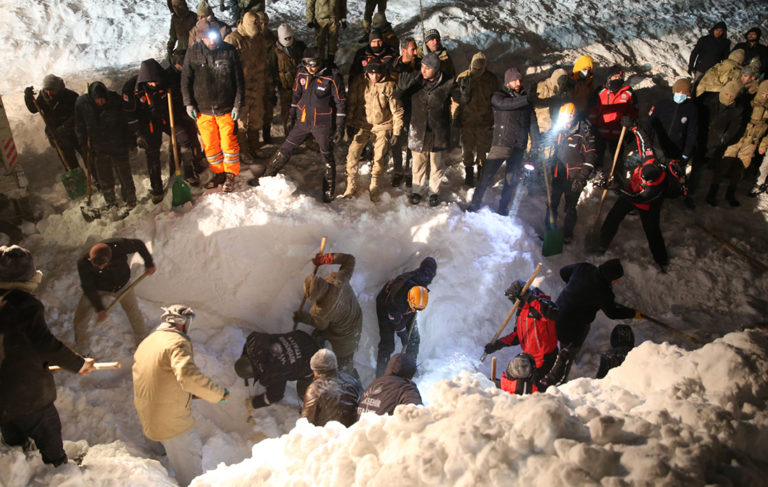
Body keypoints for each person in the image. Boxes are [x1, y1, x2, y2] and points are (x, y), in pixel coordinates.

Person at [0, 246, 95, 467]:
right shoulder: (23, 303)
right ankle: (60, 471)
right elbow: (45, 344)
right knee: (48, 433)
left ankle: (21, 469)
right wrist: (79, 364)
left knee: (15, 445)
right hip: (26, 394)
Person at [132, 305, 228, 487]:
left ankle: (159, 461)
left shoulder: (148, 342)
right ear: (182, 323)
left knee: (158, 446)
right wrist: (217, 393)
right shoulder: (176, 342)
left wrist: (187, 394)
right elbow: (188, 376)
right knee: (191, 467)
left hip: (147, 415)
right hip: (170, 422)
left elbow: (158, 375)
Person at [255, 49, 346, 203]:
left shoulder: (331, 76)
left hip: (322, 124)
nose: (310, 67)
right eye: (306, 63)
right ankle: (266, 178)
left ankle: (328, 190)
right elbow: (296, 96)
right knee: (286, 148)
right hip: (303, 121)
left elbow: (341, 102)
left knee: (327, 154)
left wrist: (339, 126)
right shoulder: (302, 74)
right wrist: (291, 116)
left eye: (313, 64)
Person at [544, 259, 640, 385]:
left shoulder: (584, 267)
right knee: (568, 351)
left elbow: (563, 272)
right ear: (610, 276)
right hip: (574, 325)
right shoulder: (604, 292)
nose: (618, 281)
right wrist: (633, 314)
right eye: (616, 278)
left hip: (556, 311)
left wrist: (576, 288)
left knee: (553, 344)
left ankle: (555, 362)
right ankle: (560, 380)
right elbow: (612, 313)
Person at [125, 58, 202, 203]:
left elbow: (180, 100)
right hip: (149, 124)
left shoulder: (167, 80)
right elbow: (129, 114)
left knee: (184, 140)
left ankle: (189, 172)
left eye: (156, 81)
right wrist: (138, 133)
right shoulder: (133, 89)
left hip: (168, 117)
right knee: (152, 153)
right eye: (150, 82)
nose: (154, 84)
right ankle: (157, 188)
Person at [182, 19, 245, 192]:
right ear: (201, 38)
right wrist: (189, 103)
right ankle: (218, 173)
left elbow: (239, 81)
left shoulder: (229, 51)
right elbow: (185, 80)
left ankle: (230, 174)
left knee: (229, 144)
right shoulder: (193, 53)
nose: (213, 41)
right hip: (203, 110)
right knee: (210, 146)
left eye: (215, 36)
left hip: (226, 108)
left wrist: (237, 105)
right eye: (209, 38)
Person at [468, 67, 538, 214]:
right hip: (502, 143)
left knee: (511, 181)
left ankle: (503, 207)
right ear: (508, 82)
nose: (518, 82)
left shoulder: (526, 99)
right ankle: (474, 204)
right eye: (514, 80)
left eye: (519, 79)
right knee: (486, 176)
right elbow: (505, 105)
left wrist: (536, 143)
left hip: (519, 145)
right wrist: (526, 99)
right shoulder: (499, 96)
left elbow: (532, 122)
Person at [397, 52, 459, 207]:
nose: (423, 70)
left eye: (427, 68)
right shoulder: (416, 81)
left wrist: (464, 92)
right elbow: (397, 97)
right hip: (418, 129)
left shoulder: (448, 82)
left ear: (436, 69)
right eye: (422, 66)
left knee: (437, 164)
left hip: (438, 131)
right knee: (418, 162)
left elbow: (461, 99)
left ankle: (433, 192)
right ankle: (417, 191)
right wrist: (400, 89)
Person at [73, 239, 156, 348]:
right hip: (98, 288)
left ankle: (143, 342)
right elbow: (88, 287)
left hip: (122, 285)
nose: (101, 267)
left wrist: (149, 263)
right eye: (97, 265)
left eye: (103, 264)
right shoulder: (83, 263)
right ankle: (82, 349)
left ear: (110, 257)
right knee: (80, 318)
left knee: (134, 312)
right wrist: (99, 308)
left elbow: (139, 244)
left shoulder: (119, 247)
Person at [599, 147, 671, 271]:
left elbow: (635, 198)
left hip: (646, 204)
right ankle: (601, 244)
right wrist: (613, 177)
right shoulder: (648, 161)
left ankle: (661, 259)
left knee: (652, 230)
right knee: (613, 217)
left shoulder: (652, 189)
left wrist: (617, 189)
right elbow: (628, 163)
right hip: (632, 190)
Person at [292, 252, 362, 376]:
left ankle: (350, 380)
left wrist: (304, 318)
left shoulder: (321, 310)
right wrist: (327, 259)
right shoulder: (337, 279)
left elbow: (321, 325)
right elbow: (350, 260)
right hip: (355, 316)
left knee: (344, 361)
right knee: (325, 330)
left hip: (345, 336)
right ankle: (320, 340)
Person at [344, 61, 403, 201]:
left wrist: (396, 131)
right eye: (371, 73)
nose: (374, 76)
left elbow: (397, 110)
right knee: (353, 152)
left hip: (382, 125)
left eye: (377, 73)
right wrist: (349, 123)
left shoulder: (389, 85)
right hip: (363, 124)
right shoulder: (361, 82)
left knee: (379, 156)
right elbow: (352, 102)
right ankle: (350, 184)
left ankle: (374, 185)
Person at [74, 81, 138, 209]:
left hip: (118, 144)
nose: (101, 102)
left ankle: (131, 200)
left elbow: (126, 122)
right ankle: (110, 201)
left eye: (103, 99)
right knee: (105, 177)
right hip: (99, 147)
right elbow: (80, 126)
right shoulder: (82, 104)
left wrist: (131, 141)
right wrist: (84, 146)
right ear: (92, 98)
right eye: (98, 100)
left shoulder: (116, 101)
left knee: (124, 174)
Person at [483, 279, 558, 380]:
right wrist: (498, 344)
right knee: (514, 375)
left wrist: (530, 298)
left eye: (514, 299)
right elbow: (518, 335)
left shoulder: (539, 305)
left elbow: (553, 313)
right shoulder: (521, 311)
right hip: (530, 358)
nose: (513, 303)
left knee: (530, 386)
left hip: (545, 359)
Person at [544, 102, 596, 243]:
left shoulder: (583, 132)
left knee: (570, 207)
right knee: (551, 203)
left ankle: (567, 234)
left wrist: (582, 177)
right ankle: (550, 231)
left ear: (572, 118)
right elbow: (547, 141)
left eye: (566, 119)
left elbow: (591, 157)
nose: (564, 122)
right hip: (558, 174)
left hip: (574, 178)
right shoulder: (558, 130)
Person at [375, 257, 436, 377]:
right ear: (409, 299)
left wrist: (431, 264)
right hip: (386, 308)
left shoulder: (422, 279)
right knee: (387, 345)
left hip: (405, 308)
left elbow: (429, 264)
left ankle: (409, 368)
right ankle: (381, 376)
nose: (415, 311)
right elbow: (395, 319)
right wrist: (402, 332)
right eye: (414, 308)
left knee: (413, 339)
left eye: (417, 309)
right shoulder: (395, 300)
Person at [646, 78, 698, 205]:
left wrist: (686, 152)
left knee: (670, 177)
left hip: (675, 150)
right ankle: (648, 197)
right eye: (679, 91)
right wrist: (647, 143)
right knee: (653, 174)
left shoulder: (691, 110)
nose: (681, 94)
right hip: (657, 146)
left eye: (684, 93)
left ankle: (666, 196)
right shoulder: (662, 104)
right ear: (674, 91)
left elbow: (692, 133)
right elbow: (650, 124)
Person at [225, 12, 269, 161]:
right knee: (241, 121)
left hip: (257, 85)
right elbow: (226, 68)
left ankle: (254, 146)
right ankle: (243, 149)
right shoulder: (233, 40)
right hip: (241, 89)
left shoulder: (259, 39)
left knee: (257, 118)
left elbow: (264, 60)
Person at [234, 330, 318, 409]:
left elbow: (275, 396)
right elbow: (249, 340)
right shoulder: (256, 342)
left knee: (304, 390)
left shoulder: (272, 373)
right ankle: (317, 339)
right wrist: (244, 357)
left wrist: (254, 403)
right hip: (302, 338)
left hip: (312, 360)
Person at [454, 52, 499, 187]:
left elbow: (496, 99)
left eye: (480, 69)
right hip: (467, 120)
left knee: (482, 150)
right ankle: (469, 173)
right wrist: (456, 117)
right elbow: (456, 101)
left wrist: (494, 119)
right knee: (467, 149)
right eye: (475, 68)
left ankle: (481, 173)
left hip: (484, 121)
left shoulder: (491, 79)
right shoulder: (463, 77)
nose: (477, 71)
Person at [700, 81, 747, 206]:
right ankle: (711, 191)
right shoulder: (711, 100)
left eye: (732, 96)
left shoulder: (738, 108)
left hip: (726, 139)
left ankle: (725, 193)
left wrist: (724, 139)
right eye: (727, 94)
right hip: (705, 136)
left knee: (735, 167)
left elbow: (735, 126)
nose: (729, 98)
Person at [720, 80, 768, 205]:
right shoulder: (748, 101)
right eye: (764, 93)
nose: (766, 96)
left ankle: (730, 194)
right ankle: (712, 192)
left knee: (740, 168)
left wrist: (763, 145)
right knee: (726, 162)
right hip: (739, 136)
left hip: (752, 142)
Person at [24, 75, 83, 173]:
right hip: (58, 136)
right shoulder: (43, 97)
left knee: (88, 157)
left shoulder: (70, 96)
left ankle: (98, 182)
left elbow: (77, 114)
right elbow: (34, 108)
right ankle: (80, 185)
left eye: (51, 90)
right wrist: (28, 97)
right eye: (47, 90)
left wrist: (65, 126)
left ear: (58, 88)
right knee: (70, 164)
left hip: (74, 133)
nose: (49, 93)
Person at [589, 65, 637, 173]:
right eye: (615, 76)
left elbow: (633, 112)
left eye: (620, 76)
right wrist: (592, 126)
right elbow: (593, 111)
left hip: (618, 134)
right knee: (597, 158)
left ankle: (616, 179)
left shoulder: (628, 93)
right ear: (609, 77)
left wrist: (630, 129)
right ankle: (597, 177)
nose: (618, 79)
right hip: (600, 133)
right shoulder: (600, 92)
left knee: (617, 161)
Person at [301, 349, 362, 427]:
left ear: (315, 371)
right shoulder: (352, 381)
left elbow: (305, 425)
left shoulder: (314, 390)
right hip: (352, 434)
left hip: (327, 436)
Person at [389, 37, 421, 188]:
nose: (415, 52)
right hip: (396, 107)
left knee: (410, 139)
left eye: (416, 49)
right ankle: (397, 170)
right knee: (396, 139)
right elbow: (389, 86)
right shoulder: (394, 66)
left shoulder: (420, 65)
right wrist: (398, 92)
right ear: (403, 50)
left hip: (413, 106)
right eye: (412, 49)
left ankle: (408, 172)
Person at [268, 24, 307, 137]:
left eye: (290, 37)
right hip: (285, 88)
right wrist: (273, 89)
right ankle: (289, 137)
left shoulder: (300, 47)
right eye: (286, 38)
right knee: (287, 113)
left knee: (304, 111)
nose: (289, 40)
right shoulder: (274, 51)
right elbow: (271, 70)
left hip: (302, 86)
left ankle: (306, 137)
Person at [306, 0, 347, 65]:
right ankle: (319, 62)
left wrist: (343, 19)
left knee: (333, 43)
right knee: (320, 42)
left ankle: (330, 63)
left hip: (334, 19)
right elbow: (310, 3)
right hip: (320, 19)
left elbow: (343, 4)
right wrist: (309, 19)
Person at [533, 68, 568, 137]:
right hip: (542, 126)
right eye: (560, 83)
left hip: (556, 128)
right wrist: (555, 100)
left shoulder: (564, 91)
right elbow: (539, 105)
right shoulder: (543, 87)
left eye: (564, 84)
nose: (561, 86)